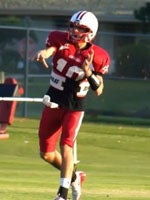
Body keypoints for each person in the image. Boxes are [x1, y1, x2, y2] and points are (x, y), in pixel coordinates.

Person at [34, 10, 110, 200]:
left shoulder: (98, 55)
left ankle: (62, 194)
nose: (75, 30)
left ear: (91, 32)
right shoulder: (58, 38)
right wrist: (43, 53)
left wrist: (89, 73)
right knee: (46, 154)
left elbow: (99, 89)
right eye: (73, 26)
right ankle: (75, 176)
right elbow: (51, 50)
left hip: (75, 104)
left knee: (66, 145)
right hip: (53, 99)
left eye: (81, 28)